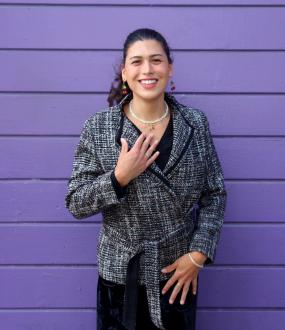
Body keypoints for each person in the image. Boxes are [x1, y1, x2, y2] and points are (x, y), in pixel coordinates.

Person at [65, 28, 227, 330]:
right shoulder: (99, 127)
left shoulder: (195, 123)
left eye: (156, 60)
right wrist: (118, 177)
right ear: (125, 72)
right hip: (120, 278)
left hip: (177, 275)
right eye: (137, 62)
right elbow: (76, 202)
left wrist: (198, 254)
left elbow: (214, 194)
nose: (148, 69)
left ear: (169, 68)